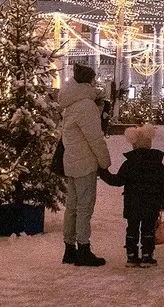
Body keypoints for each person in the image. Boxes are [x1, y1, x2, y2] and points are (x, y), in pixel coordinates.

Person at [60, 64, 112, 267]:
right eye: (94, 79)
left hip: (71, 160)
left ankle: (69, 248)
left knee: (71, 206)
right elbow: (95, 138)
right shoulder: (85, 105)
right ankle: (83, 248)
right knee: (84, 207)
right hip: (84, 163)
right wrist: (104, 161)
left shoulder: (72, 102)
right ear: (88, 81)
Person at [99, 125, 164, 267]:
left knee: (132, 228)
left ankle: (131, 255)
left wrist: (102, 172)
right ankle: (147, 255)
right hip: (152, 202)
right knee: (148, 229)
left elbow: (117, 181)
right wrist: (162, 202)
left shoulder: (129, 163)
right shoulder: (158, 165)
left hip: (133, 203)